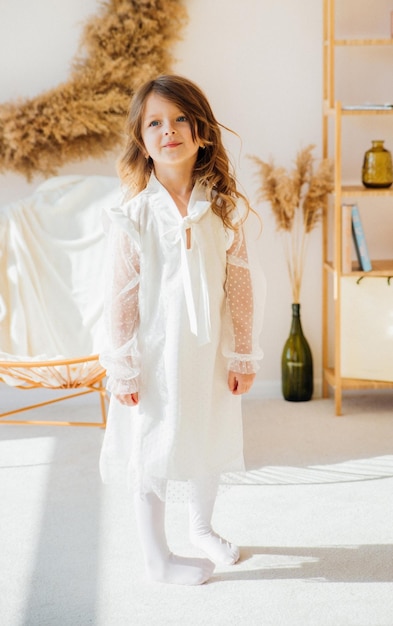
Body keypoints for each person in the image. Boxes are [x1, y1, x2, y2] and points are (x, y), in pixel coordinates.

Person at [99, 74, 265, 586]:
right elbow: (121, 296)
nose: (168, 130)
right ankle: (156, 557)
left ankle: (202, 527)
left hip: (207, 352)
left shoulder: (222, 208)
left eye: (179, 119)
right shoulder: (134, 214)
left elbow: (239, 285)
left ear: (202, 132)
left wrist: (241, 354)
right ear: (142, 141)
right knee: (150, 446)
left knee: (206, 433)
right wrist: (123, 367)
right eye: (155, 123)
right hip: (153, 355)